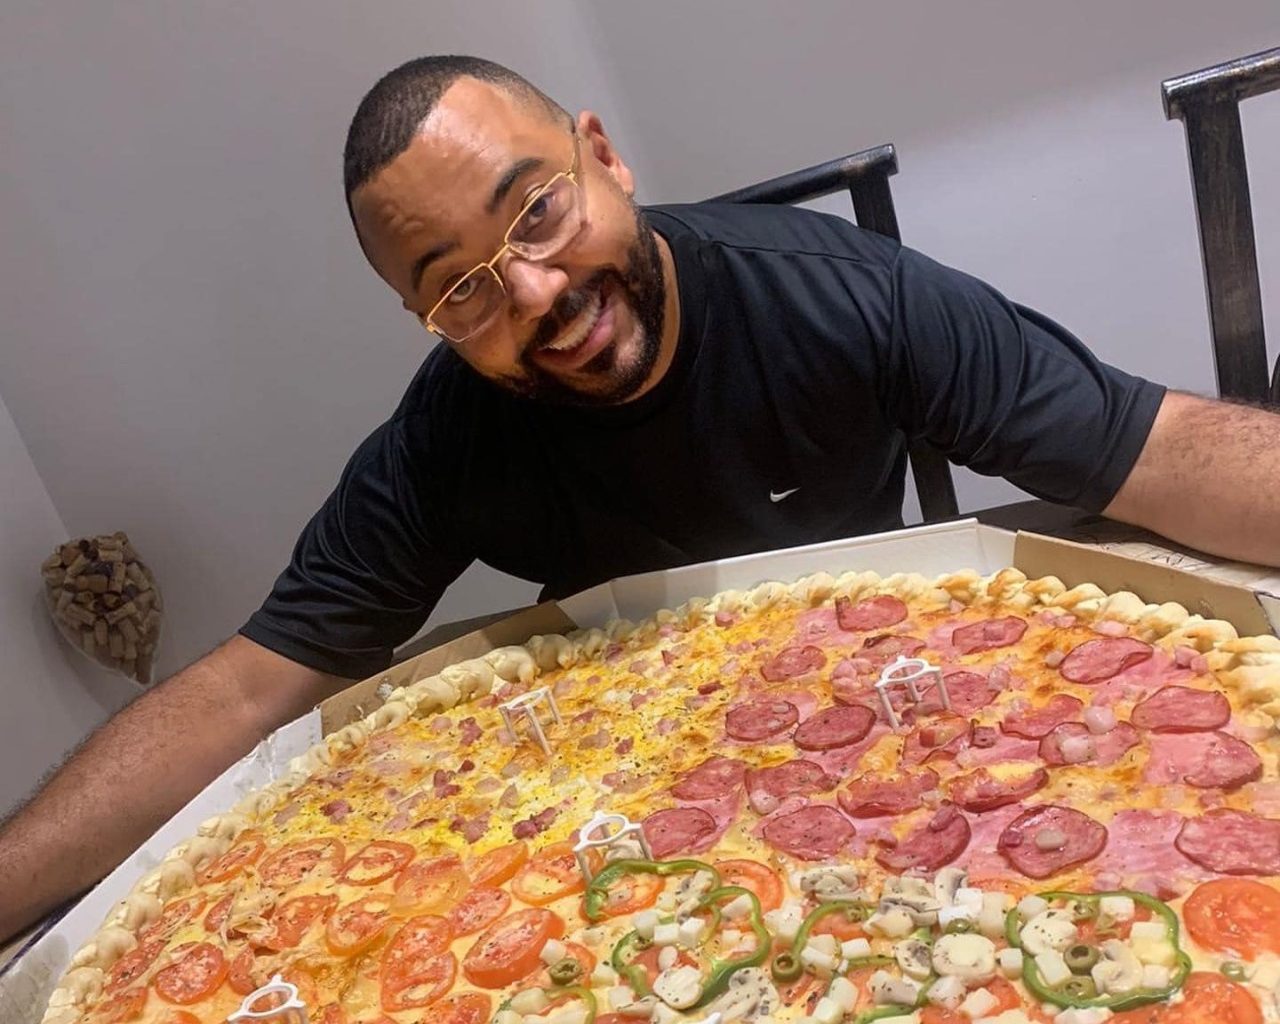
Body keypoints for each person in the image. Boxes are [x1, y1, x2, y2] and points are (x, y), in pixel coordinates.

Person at [2, 54, 1278, 944]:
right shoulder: (443, 439)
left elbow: (1149, 449)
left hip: (918, 746)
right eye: (461, 288)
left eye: (538, 212)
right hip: (630, 845)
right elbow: (242, 685)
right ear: (424, 319)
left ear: (599, 155)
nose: (535, 294)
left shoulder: (843, 294)